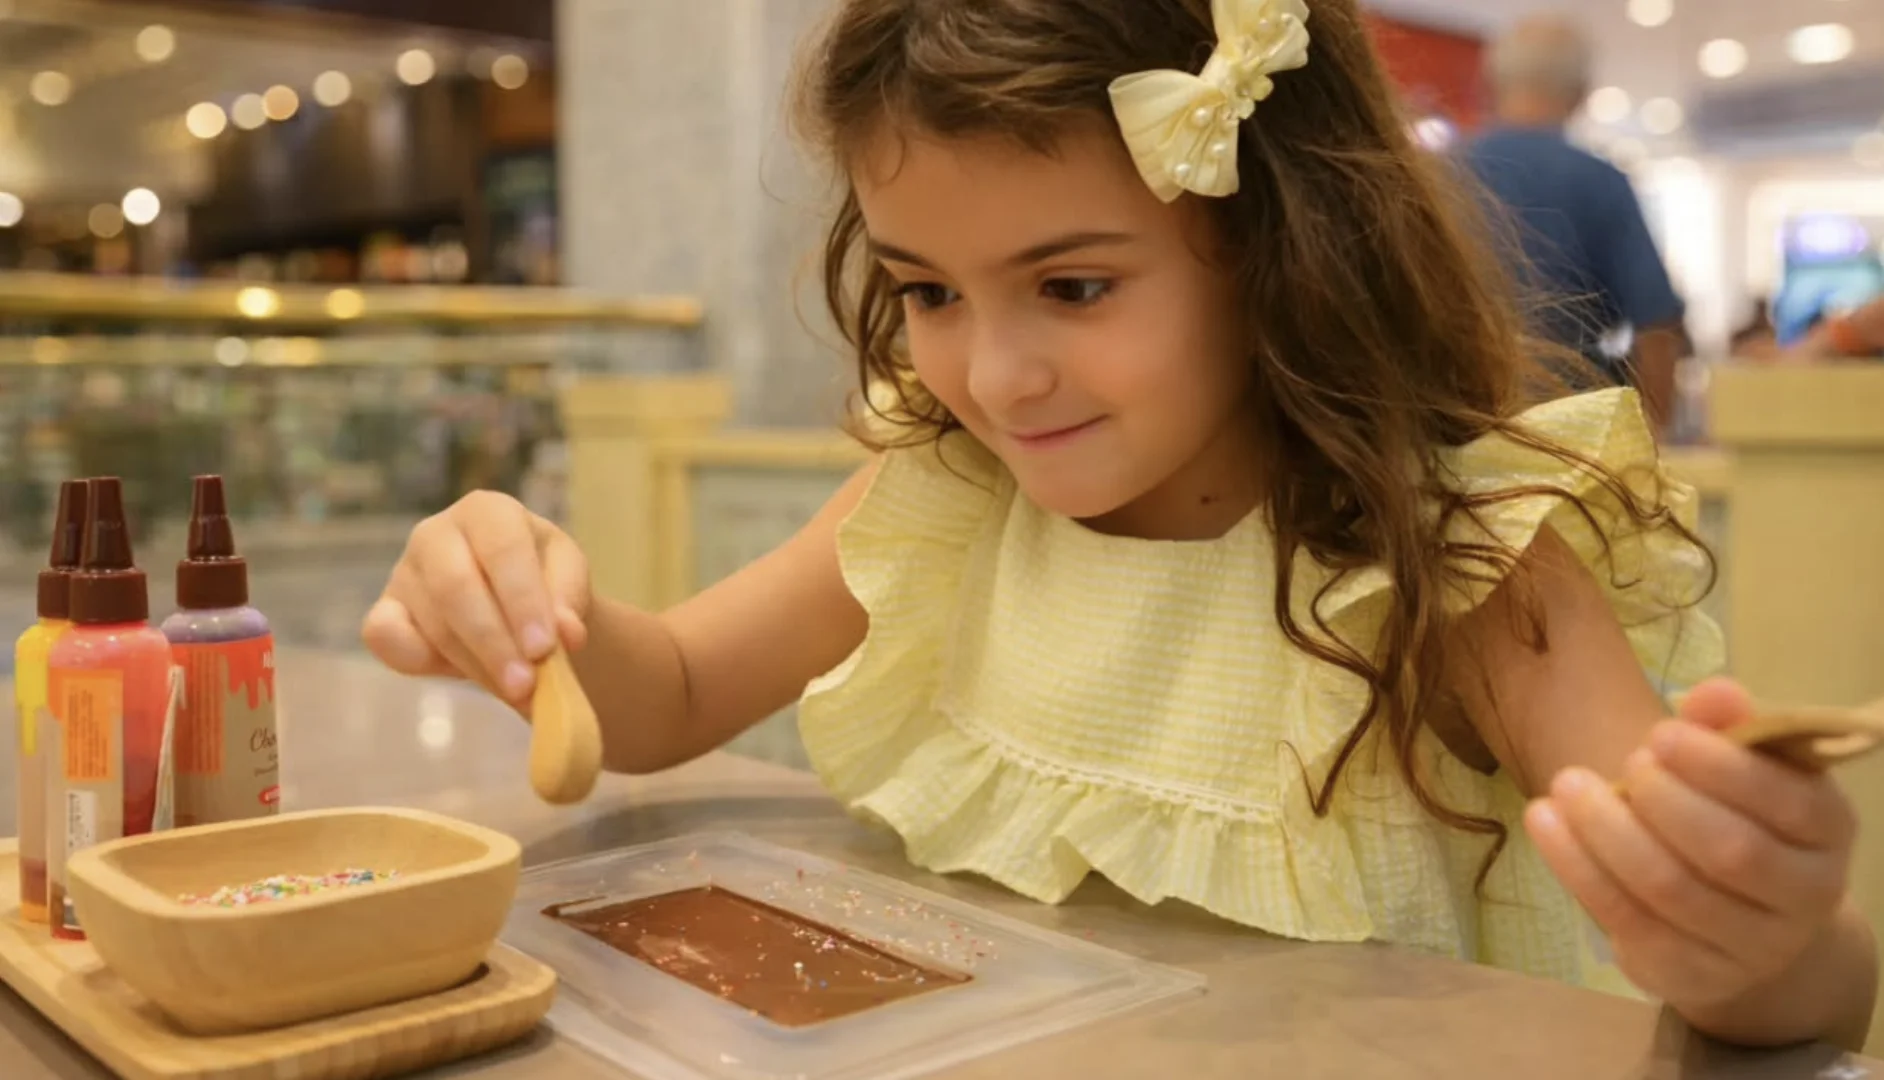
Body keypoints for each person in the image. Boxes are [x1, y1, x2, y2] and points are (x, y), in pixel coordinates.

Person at [365, 0, 1876, 1050]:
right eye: (930, 292)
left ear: (1279, 244)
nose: (994, 375)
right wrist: (522, 608)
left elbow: (1801, 996)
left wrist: (1766, 946)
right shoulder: (943, 490)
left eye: (1073, 286)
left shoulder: (1463, 560)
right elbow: (673, 694)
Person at [1460, 15, 1689, 433]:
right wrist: (1657, 436)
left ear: (1491, 85)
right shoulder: (1599, 181)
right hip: (1567, 429)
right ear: (1581, 93)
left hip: (1453, 423)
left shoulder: (1437, 174)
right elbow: (1656, 326)